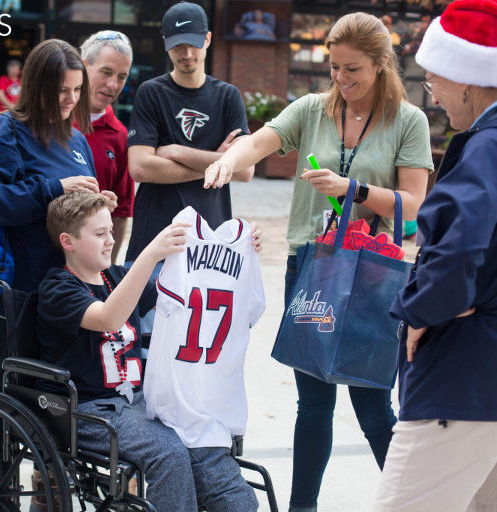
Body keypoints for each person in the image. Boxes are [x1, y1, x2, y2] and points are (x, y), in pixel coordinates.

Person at [204, 12, 434, 512]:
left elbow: (414, 203)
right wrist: (227, 160)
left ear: (381, 63)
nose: (341, 79)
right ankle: (301, 508)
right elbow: (260, 141)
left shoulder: (407, 120)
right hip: (310, 268)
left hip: (370, 272)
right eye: (334, 67)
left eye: (352, 69)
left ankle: (418, 503)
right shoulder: (312, 109)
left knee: (373, 405)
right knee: (312, 405)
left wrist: (353, 189)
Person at [0, 39, 111, 497]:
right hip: (18, 289)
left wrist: (96, 207)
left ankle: (42, 478)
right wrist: (53, 188)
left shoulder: (76, 140)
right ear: (36, 85)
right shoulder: (6, 130)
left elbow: (70, 212)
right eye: (61, 90)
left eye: (76, 90)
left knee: (49, 389)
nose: (70, 100)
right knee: (7, 379)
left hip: (65, 290)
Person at [37, 190, 259, 512]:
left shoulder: (115, 277)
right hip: (89, 410)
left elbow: (190, 287)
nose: (110, 240)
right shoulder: (57, 287)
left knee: (199, 436)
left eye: (111, 231)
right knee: (168, 452)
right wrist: (150, 254)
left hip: (141, 401)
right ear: (68, 241)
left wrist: (235, 254)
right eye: (99, 234)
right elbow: (108, 317)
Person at [374, 1, 497, 509]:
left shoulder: (487, 147)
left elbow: (459, 248)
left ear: (467, 79)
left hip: (462, 374)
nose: (433, 94)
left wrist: (421, 311)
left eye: (433, 79)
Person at [126, 0, 254, 347]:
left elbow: (245, 170)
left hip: (210, 249)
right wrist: (219, 162)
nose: (186, 54)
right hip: (154, 241)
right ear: (166, 44)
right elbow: (140, 167)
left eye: (193, 44)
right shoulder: (152, 93)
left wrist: (176, 151)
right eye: (177, 45)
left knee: (197, 352)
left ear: (208, 39)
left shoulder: (227, 97)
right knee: (148, 349)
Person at [78, 30, 135, 263]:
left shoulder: (120, 135)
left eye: (122, 76)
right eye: (106, 72)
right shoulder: (51, 120)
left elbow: (121, 212)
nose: (113, 85)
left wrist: (107, 269)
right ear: (84, 67)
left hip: (88, 266)